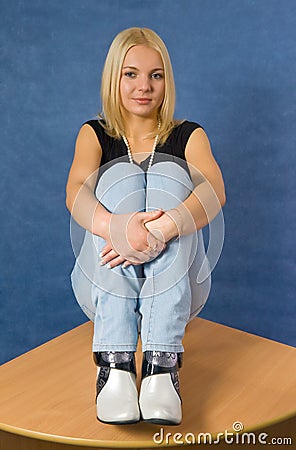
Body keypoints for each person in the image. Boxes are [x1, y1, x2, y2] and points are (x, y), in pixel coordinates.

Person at [66, 27, 226, 426]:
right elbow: (75, 192)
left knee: (172, 179)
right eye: (131, 74)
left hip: (180, 286)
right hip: (102, 287)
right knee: (114, 180)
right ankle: (116, 365)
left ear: (166, 81)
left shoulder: (189, 135)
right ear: (114, 78)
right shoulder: (94, 133)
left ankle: (161, 365)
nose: (144, 86)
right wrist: (117, 226)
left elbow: (215, 192)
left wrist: (161, 229)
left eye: (156, 75)